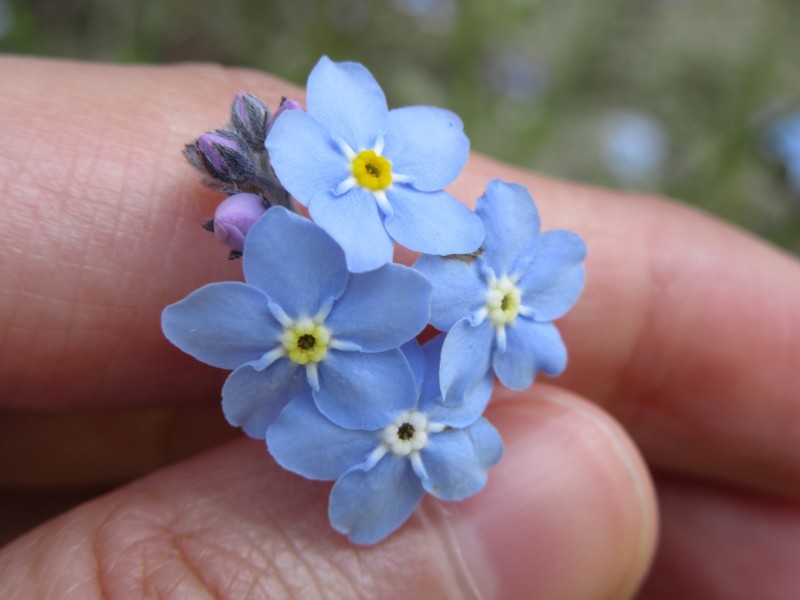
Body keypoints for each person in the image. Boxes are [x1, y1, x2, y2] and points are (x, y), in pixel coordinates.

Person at [0, 56, 798, 599]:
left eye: (374, 167)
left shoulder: (428, 306)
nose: (373, 172)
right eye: (367, 167)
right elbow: (316, 264)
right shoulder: (354, 279)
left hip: (426, 354)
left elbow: (407, 298)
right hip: (384, 331)